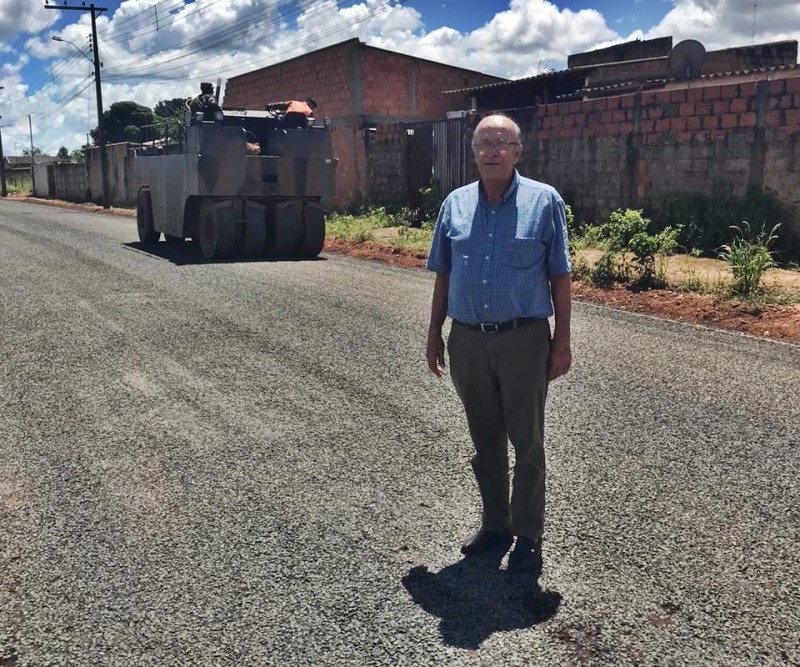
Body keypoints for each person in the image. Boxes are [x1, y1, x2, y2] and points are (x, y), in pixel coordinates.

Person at [425, 113, 572, 575]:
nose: (491, 151)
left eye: (501, 142)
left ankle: (528, 534)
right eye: (483, 143)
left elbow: (560, 276)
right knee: (484, 438)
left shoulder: (543, 201)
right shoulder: (455, 204)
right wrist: (434, 333)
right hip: (468, 340)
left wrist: (562, 341)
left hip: (524, 340)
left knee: (527, 441)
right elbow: (444, 274)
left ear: (518, 151)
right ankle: (495, 525)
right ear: (472, 152)